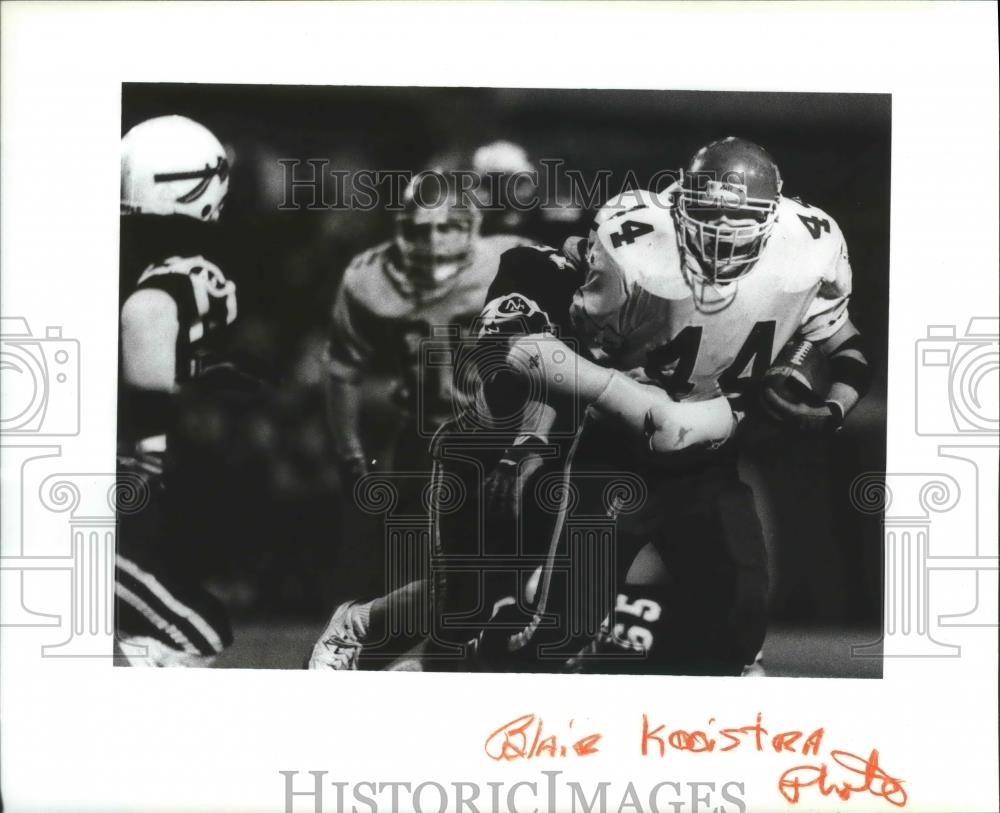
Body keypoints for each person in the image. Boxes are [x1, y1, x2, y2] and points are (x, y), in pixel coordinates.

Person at [311, 171, 531, 667]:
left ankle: (384, 646)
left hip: (507, 439)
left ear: (473, 227)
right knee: (437, 582)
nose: (430, 241)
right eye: (417, 228)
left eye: (446, 228)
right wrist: (349, 450)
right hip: (429, 440)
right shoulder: (369, 279)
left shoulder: (513, 260)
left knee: (497, 581)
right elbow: (342, 368)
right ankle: (370, 647)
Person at [116, 114, 256, 666]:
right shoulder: (186, 269)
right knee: (198, 634)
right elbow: (148, 314)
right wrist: (147, 465)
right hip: (85, 501)